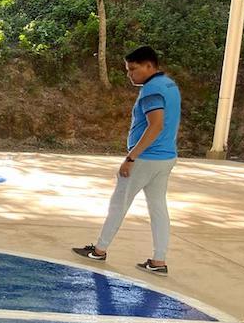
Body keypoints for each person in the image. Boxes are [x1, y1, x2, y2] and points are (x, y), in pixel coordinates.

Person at [72, 46, 181, 275]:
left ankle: (99, 251)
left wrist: (131, 157)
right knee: (158, 208)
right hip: (166, 157)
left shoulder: (152, 90)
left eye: (133, 69)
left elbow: (156, 125)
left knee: (118, 204)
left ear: (149, 66)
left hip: (145, 158)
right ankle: (158, 260)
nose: (130, 74)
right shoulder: (170, 85)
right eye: (128, 70)